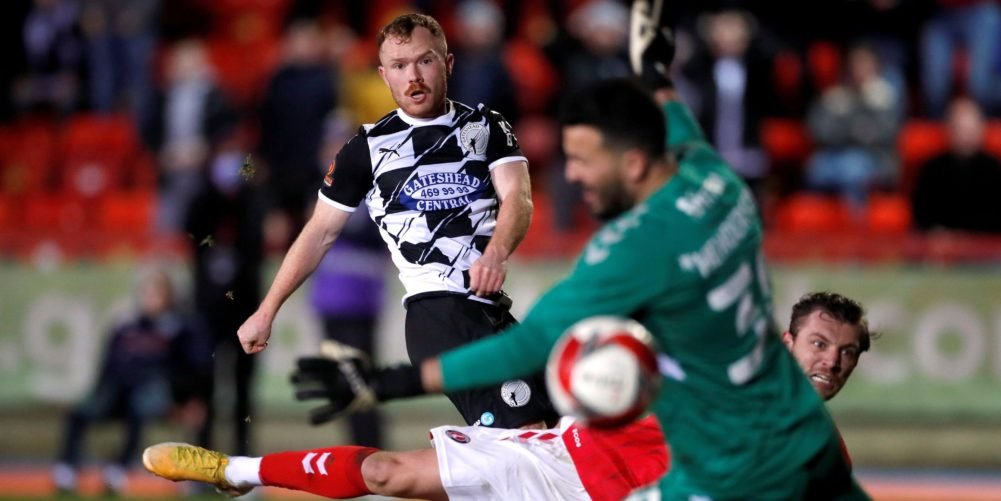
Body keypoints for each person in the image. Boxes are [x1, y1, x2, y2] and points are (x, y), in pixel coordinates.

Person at [140, 290, 874, 500]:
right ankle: (236, 472)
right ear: (787, 341)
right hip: (562, 463)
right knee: (386, 474)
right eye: (817, 343)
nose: (827, 362)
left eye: (843, 354)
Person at [236, 13, 555, 429]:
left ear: (449, 63)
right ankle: (250, 470)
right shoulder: (366, 149)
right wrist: (266, 311)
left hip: (491, 310)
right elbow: (319, 232)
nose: (413, 77)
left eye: (424, 61)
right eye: (400, 67)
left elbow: (519, 197)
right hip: (438, 313)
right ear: (384, 76)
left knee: (558, 424)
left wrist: (496, 253)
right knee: (526, 435)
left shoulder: (487, 127)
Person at [53, 267, 208, 495]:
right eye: (146, 293)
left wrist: (187, 401)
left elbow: (192, 369)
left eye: (156, 293)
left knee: (138, 408)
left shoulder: (180, 330)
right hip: (116, 390)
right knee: (80, 412)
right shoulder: (126, 327)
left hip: (154, 392)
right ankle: (67, 469)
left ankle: (119, 470)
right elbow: (107, 365)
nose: (149, 299)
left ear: (168, 297)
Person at [804, 42, 901, 209]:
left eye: (865, 63)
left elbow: (884, 134)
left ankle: (855, 225)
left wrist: (845, 126)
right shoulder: (835, 96)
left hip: (875, 159)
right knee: (816, 168)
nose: (860, 69)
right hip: (834, 156)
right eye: (856, 63)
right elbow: (818, 131)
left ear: (875, 67)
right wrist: (854, 130)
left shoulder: (886, 97)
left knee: (852, 168)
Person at [911, 96, 1001, 233]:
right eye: (961, 129)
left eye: (971, 129)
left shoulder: (994, 169)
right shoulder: (932, 170)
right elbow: (922, 215)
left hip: (984, 246)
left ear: (981, 129)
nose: (966, 136)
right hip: (941, 248)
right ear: (948, 129)